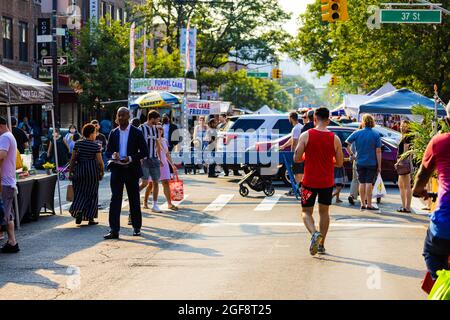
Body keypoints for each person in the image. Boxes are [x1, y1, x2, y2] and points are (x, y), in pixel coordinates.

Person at [294, 107, 344, 256]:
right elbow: (340, 162)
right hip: (326, 182)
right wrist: (329, 161)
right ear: (328, 120)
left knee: (306, 212)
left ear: (314, 119)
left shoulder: (305, 135)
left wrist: (305, 158)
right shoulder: (335, 138)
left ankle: (314, 233)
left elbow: (296, 158)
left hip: (309, 181)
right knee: (324, 213)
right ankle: (321, 245)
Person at [412, 103, 450, 280]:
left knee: (433, 255)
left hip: (444, 227)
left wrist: (419, 190)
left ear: (447, 121)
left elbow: (422, 174)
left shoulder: (439, 142)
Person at [104, 107, 148, 239]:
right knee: (115, 199)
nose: (121, 118)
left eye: (123, 115)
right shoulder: (113, 132)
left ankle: (136, 228)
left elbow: (144, 152)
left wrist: (130, 158)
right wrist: (113, 154)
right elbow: (107, 151)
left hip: (131, 169)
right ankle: (114, 230)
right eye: (119, 115)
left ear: (128, 116)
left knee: (134, 199)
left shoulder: (137, 132)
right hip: (117, 169)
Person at [69, 124, 104, 225]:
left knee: (79, 192)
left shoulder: (78, 144)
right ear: (91, 134)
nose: (96, 135)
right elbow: (100, 162)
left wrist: (71, 171)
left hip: (79, 171)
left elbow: (73, 159)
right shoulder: (95, 146)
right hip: (92, 172)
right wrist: (101, 172)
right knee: (92, 194)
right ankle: (90, 218)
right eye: (94, 133)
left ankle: (78, 210)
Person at [345, 114, 382, 211]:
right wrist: (379, 165)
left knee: (361, 183)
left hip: (360, 162)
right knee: (369, 183)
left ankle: (362, 204)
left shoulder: (357, 133)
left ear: (363, 122)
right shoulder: (376, 134)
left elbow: (345, 144)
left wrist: (352, 155)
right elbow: (378, 151)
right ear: (372, 122)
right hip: (372, 162)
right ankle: (369, 204)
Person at [0, 116, 19, 253]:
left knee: (6, 213)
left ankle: (12, 242)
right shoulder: (9, 136)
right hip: (8, 180)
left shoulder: (5, 137)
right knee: (7, 212)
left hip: (5, 181)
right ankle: (11, 241)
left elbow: (1, 155)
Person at [140, 110, 163, 212]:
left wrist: (160, 158)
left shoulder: (155, 129)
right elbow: (137, 144)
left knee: (156, 182)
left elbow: (157, 144)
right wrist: (139, 158)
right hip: (144, 159)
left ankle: (154, 205)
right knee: (144, 183)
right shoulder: (141, 128)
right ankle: (133, 195)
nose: (158, 121)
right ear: (152, 118)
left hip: (154, 158)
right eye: (157, 119)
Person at [280, 112, 303, 196]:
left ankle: (296, 189)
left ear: (291, 118)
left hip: (297, 154)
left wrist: (292, 153)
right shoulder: (299, 127)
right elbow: (292, 139)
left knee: (297, 173)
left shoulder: (296, 128)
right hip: (300, 153)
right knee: (298, 172)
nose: (288, 120)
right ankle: (296, 188)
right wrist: (283, 146)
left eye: (288, 118)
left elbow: (295, 142)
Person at [157, 125, 179, 211]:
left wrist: (172, 165)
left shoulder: (165, 140)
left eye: (161, 130)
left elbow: (167, 154)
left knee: (166, 182)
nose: (159, 132)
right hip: (156, 163)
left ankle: (169, 203)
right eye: (158, 130)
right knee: (151, 185)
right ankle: (145, 201)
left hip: (164, 164)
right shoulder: (153, 141)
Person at [396, 120, 413, 213]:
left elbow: (406, 152)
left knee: (406, 186)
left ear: (408, 127)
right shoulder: (404, 136)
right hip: (403, 162)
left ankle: (407, 207)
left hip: (404, 162)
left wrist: (398, 162)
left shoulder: (407, 137)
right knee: (401, 185)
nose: (402, 127)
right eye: (402, 125)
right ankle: (404, 206)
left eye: (405, 126)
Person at [348, 123, 363, 205]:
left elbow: (351, 147)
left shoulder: (356, 134)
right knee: (364, 180)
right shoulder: (369, 134)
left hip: (356, 160)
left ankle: (352, 195)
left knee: (355, 179)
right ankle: (365, 198)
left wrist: (352, 157)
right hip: (366, 160)